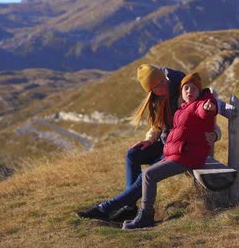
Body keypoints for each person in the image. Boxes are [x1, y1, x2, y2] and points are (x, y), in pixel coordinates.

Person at [77, 65, 220, 222]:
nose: (161, 86)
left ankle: (107, 208)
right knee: (133, 154)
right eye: (156, 86)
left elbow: (203, 113)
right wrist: (150, 139)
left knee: (147, 175)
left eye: (162, 81)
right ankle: (129, 208)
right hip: (167, 143)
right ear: (150, 90)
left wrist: (215, 134)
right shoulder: (156, 100)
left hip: (181, 148)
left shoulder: (183, 88)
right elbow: (157, 125)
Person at [122, 72, 217, 229]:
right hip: (179, 153)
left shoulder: (201, 104)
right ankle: (139, 212)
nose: (189, 91)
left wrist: (209, 108)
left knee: (149, 174)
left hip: (189, 156)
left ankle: (145, 215)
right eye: (186, 88)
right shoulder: (182, 109)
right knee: (147, 172)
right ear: (181, 91)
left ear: (199, 91)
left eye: (193, 88)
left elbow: (205, 111)